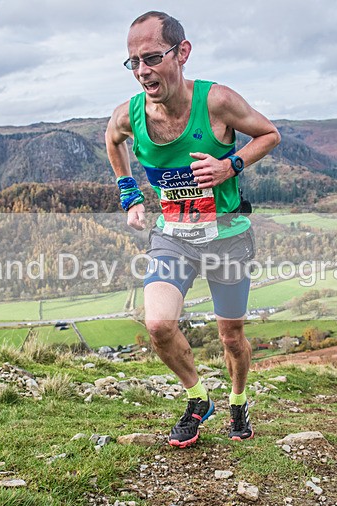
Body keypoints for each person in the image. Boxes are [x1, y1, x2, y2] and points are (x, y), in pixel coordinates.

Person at [105, 11, 281, 448]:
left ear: (181, 53)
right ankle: (198, 398)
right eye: (134, 62)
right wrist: (130, 194)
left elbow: (269, 134)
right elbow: (112, 139)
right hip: (173, 236)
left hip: (227, 236)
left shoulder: (217, 101)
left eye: (151, 57)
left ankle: (238, 400)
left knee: (231, 335)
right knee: (159, 325)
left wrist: (230, 165)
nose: (143, 71)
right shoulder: (131, 114)